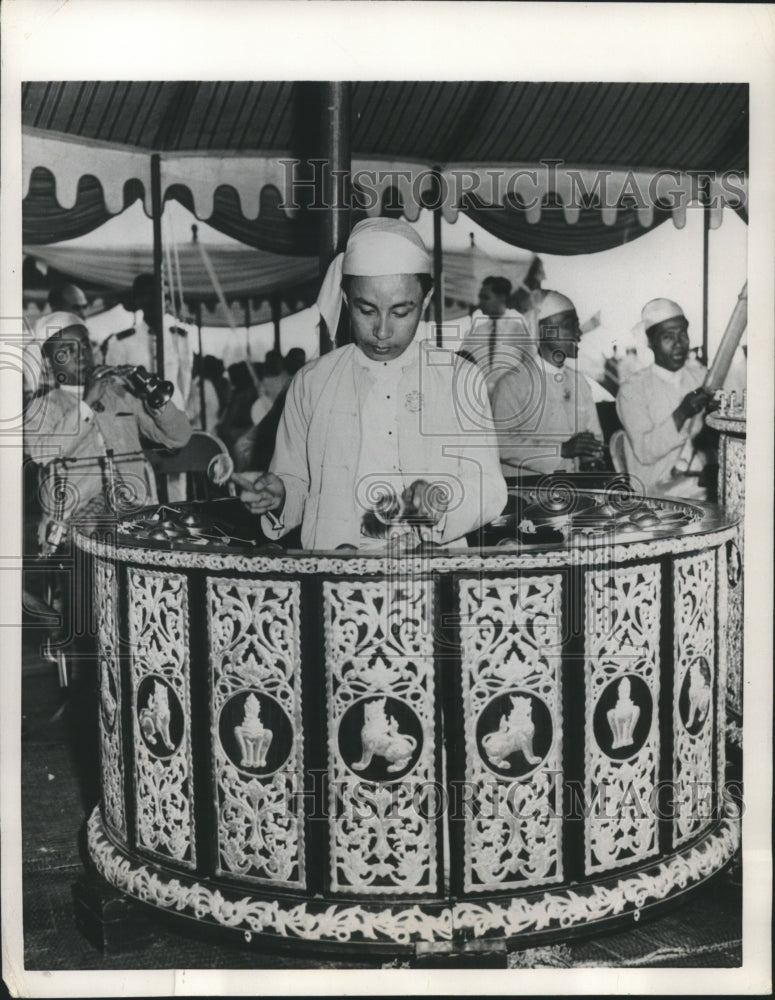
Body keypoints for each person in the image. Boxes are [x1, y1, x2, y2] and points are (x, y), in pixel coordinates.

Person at [234, 218, 507, 550]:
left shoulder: (459, 379)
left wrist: (443, 503)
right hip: (335, 566)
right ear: (346, 300)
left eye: (400, 312)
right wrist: (279, 495)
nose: (382, 331)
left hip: (433, 564)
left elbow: (490, 488)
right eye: (366, 310)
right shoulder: (312, 382)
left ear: (426, 299)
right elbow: (295, 482)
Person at [24, 314, 191, 549]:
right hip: (75, 520)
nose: (80, 355)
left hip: (134, 508)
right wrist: (87, 404)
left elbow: (179, 437)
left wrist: (154, 400)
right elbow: (42, 453)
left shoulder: (119, 393)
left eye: (84, 345)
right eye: (66, 350)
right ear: (49, 363)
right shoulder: (41, 406)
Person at [491, 290, 604, 477]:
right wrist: (561, 450)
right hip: (526, 489)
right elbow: (501, 444)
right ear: (542, 330)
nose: (578, 333)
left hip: (575, 485)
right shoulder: (513, 383)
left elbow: (595, 435)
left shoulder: (579, 381)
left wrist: (591, 454)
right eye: (568, 326)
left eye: (576, 325)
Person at [616, 299, 716, 499]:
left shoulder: (702, 378)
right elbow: (645, 452)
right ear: (651, 342)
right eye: (668, 337)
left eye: (683, 334)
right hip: (656, 494)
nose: (679, 344)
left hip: (699, 483)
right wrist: (682, 413)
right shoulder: (632, 389)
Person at [102, 274, 194, 408]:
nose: (158, 302)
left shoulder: (179, 339)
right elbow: (115, 386)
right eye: (150, 296)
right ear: (138, 300)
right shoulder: (121, 342)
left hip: (173, 409)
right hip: (138, 411)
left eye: (164, 297)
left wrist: (179, 409)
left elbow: (185, 381)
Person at [457, 276, 529, 395]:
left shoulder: (519, 330)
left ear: (502, 298)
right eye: (480, 297)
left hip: (510, 396)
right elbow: (461, 364)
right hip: (479, 396)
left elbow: (531, 366)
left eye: (485, 297)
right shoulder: (473, 333)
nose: (480, 303)